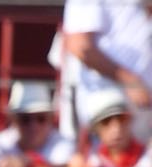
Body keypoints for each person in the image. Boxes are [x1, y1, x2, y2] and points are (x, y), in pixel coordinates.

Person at [54, 0, 152, 144]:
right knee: (104, 164)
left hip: (143, 117)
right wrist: (128, 80)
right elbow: (79, 45)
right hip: (108, 110)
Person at [0, 81, 73, 167]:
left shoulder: (62, 143)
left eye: (41, 118)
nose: (33, 126)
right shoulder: (1, 141)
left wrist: (27, 164)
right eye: (25, 119)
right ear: (13, 121)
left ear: (51, 119)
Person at [69, 86, 152, 167]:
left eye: (122, 119)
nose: (116, 128)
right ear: (96, 129)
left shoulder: (148, 159)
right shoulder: (91, 164)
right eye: (106, 121)